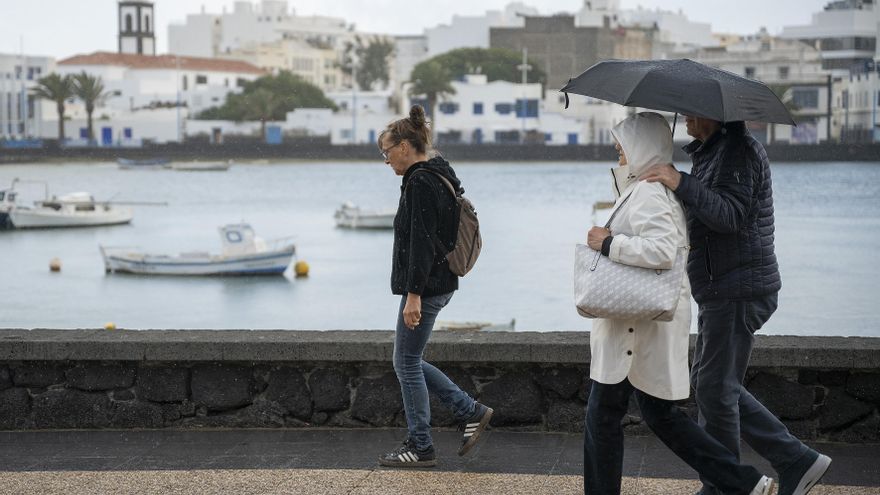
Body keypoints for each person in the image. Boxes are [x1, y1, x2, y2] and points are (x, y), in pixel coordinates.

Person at [640, 116, 832, 495]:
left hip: (738, 287)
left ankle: (727, 485)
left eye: (692, 111)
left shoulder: (738, 151)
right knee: (712, 384)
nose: (686, 119)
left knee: (715, 388)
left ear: (711, 115)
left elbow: (728, 215)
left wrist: (681, 182)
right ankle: (793, 459)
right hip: (723, 285)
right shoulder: (715, 153)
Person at [584, 112, 773, 495]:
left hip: (635, 328)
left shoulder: (650, 192)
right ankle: (745, 483)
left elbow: (662, 250)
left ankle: (745, 482)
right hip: (635, 324)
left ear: (639, 146)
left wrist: (607, 243)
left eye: (622, 141)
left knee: (614, 418)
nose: (617, 148)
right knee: (650, 416)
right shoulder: (643, 187)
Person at [377, 105, 493, 468]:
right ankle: (469, 411)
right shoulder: (437, 175)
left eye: (387, 151)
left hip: (426, 287)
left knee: (406, 362)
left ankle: (421, 444)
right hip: (438, 282)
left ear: (407, 146)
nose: (386, 160)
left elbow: (421, 243)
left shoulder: (421, 182)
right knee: (408, 359)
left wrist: (413, 295)